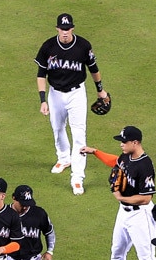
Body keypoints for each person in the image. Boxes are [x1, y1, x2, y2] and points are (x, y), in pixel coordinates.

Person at [81, 126, 156, 260]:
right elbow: (115, 162)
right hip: (124, 214)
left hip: (140, 215)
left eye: (124, 141)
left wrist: (121, 198)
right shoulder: (126, 156)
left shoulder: (145, 165)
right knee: (117, 251)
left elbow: (146, 197)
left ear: (135, 143)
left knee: (147, 259)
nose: (121, 144)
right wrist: (95, 152)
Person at [34, 12, 108, 195]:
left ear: (72, 28)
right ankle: (64, 157)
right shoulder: (48, 46)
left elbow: (94, 69)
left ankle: (77, 178)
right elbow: (41, 75)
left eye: (68, 29)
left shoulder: (83, 46)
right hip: (55, 94)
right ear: (57, 29)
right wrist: (43, 100)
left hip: (77, 94)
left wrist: (100, 90)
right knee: (57, 128)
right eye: (62, 29)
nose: (65, 32)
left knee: (79, 135)